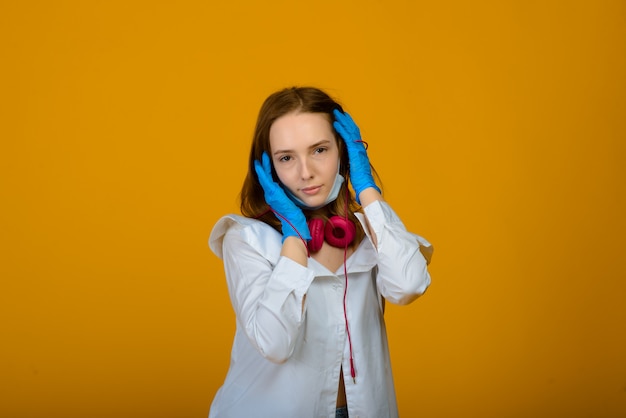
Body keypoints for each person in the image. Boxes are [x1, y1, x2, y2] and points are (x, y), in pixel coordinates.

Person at [208, 86, 433, 418]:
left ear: (342, 151)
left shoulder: (370, 230)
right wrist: (295, 239)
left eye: (319, 150)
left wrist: (366, 186)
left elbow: (409, 285)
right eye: (286, 158)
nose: (305, 172)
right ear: (267, 168)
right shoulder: (245, 238)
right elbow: (275, 344)